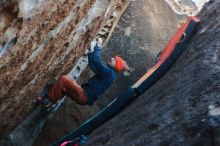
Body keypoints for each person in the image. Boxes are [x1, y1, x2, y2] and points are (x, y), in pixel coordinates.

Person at [36, 38, 133, 106]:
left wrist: (98, 46)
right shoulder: (111, 74)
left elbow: (96, 63)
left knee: (64, 80)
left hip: (84, 95)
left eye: (114, 60)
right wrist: (91, 52)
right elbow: (93, 65)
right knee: (64, 88)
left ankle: (47, 99)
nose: (112, 58)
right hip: (84, 98)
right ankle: (50, 102)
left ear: (116, 66)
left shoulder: (110, 73)